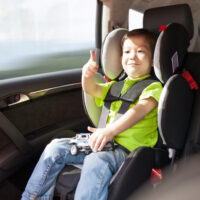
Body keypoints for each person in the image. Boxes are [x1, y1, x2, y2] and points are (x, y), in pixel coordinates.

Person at [21, 28, 162, 200]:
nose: (132, 56)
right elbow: (91, 89)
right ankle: (32, 197)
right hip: (101, 142)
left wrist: (110, 131)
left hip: (126, 151)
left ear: (153, 60)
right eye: (127, 51)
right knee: (55, 147)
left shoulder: (154, 87)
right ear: (120, 59)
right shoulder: (115, 86)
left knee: (95, 161)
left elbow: (140, 109)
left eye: (140, 51)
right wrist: (87, 75)